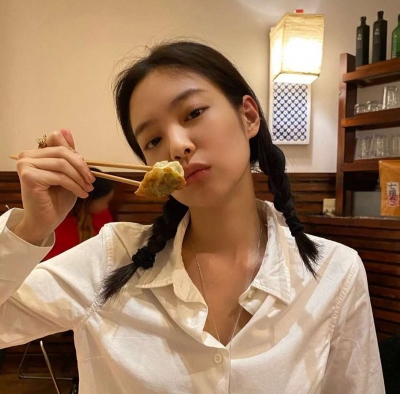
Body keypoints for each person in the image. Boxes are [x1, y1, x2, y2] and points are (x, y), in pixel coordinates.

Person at [0, 41, 384, 394]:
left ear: (249, 116)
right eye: (153, 140)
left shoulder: (335, 273)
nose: (177, 145)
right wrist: (31, 227)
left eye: (194, 113)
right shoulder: (110, 259)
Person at [43, 168, 114, 260]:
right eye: (104, 201)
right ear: (87, 200)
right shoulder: (59, 222)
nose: (106, 206)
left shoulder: (103, 215)